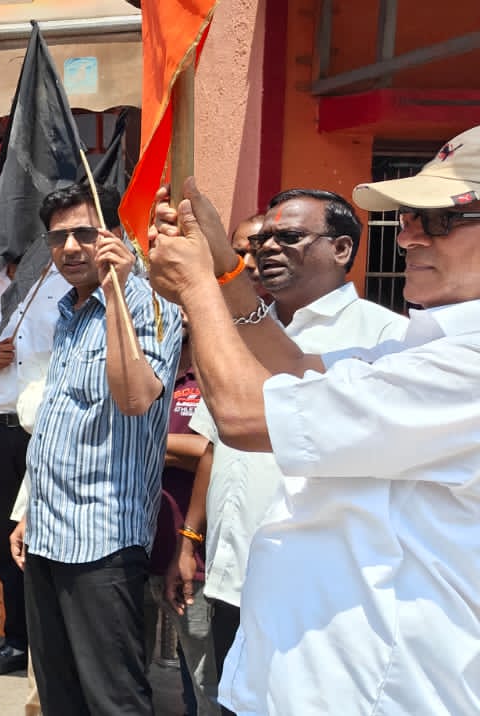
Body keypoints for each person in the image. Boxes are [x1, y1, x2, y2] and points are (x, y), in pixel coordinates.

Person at [160, 187, 406, 713]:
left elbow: (243, 419)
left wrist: (198, 285)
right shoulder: (252, 327)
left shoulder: (387, 337)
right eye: (262, 239)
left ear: (342, 248)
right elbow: (216, 445)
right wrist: (191, 540)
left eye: (289, 236)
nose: (268, 248)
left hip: (318, 598)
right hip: (231, 576)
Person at [12, 183, 183, 715]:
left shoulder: (152, 303)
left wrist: (117, 294)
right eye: (57, 237)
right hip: (47, 535)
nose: (69, 248)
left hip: (102, 542)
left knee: (113, 700)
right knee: (58, 695)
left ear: (117, 236)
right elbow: (61, 425)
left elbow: (135, 398)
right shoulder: (68, 310)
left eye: (85, 233)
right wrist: (29, 511)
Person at [0, 250, 66, 679]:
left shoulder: (66, 282)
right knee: (4, 542)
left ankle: (53, 647)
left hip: (46, 429)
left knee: (52, 542)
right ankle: (17, 641)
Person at [143, 338, 209, 715]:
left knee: (204, 685)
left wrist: (149, 442)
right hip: (133, 549)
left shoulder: (213, 370)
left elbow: (218, 452)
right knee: (125, 678)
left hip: (193, 555)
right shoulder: (141, 366)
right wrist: (184, 450)